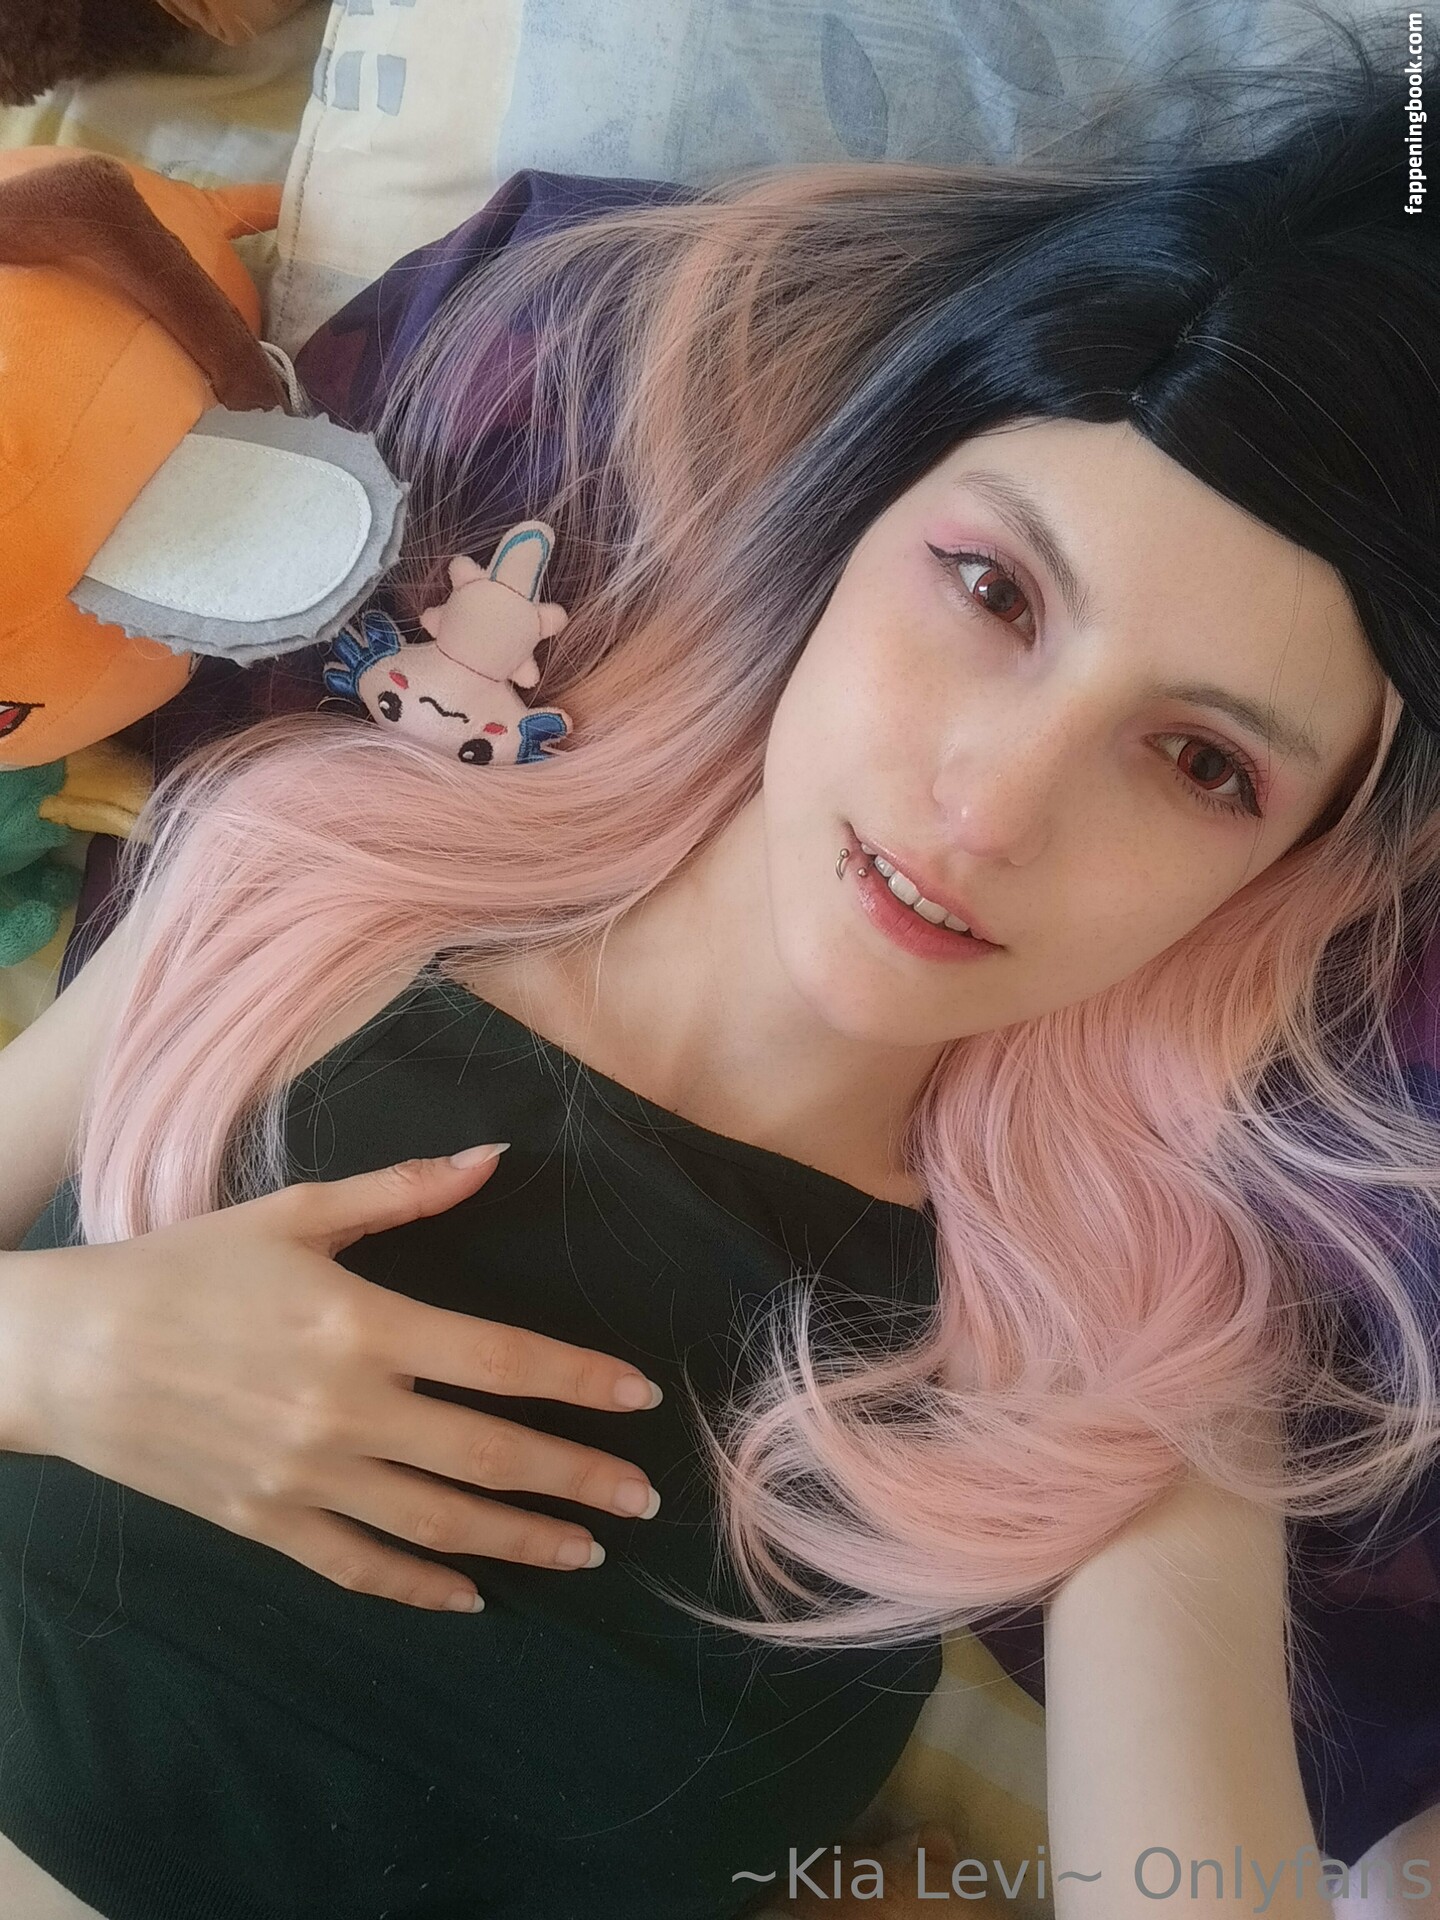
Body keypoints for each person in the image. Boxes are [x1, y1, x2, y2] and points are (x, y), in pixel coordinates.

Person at [0, 18, 1438, 1919]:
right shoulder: (318, 876)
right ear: (850, 518)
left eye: (1200, 763)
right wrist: (56, 1353)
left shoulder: (1127, 1360)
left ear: (1289, 870)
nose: (990, 809)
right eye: (994, 591)